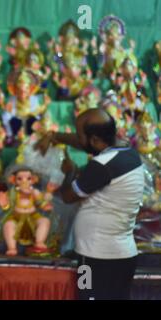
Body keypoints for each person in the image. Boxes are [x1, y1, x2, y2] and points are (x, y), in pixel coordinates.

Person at [36, 108, 145, 300]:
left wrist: (69, 172)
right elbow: (86, 143)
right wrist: (55, 136)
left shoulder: (101, 166)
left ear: (95, 140)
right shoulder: (128, 153)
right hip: (123, 255)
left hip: (95, 257)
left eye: (80, 135)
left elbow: (68, 196)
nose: (77, 139)